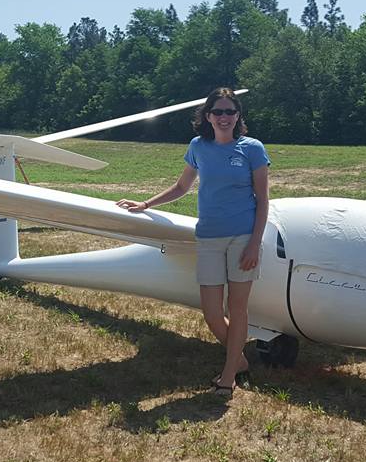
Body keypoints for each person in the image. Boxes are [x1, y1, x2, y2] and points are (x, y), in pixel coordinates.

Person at [116, 87, 270, 397]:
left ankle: (228, 377)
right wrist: (145, 204)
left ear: (238, 115)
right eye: (218, 112)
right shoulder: (198, 146)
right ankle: (237, 359)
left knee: (237, 308)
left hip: (242, 238)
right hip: (209, 237)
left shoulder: (252, 148)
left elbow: (263, 200)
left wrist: (255, 243)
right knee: (212, 311)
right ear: (208, 116)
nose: (224, 117)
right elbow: (182, 186)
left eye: (230, 111)